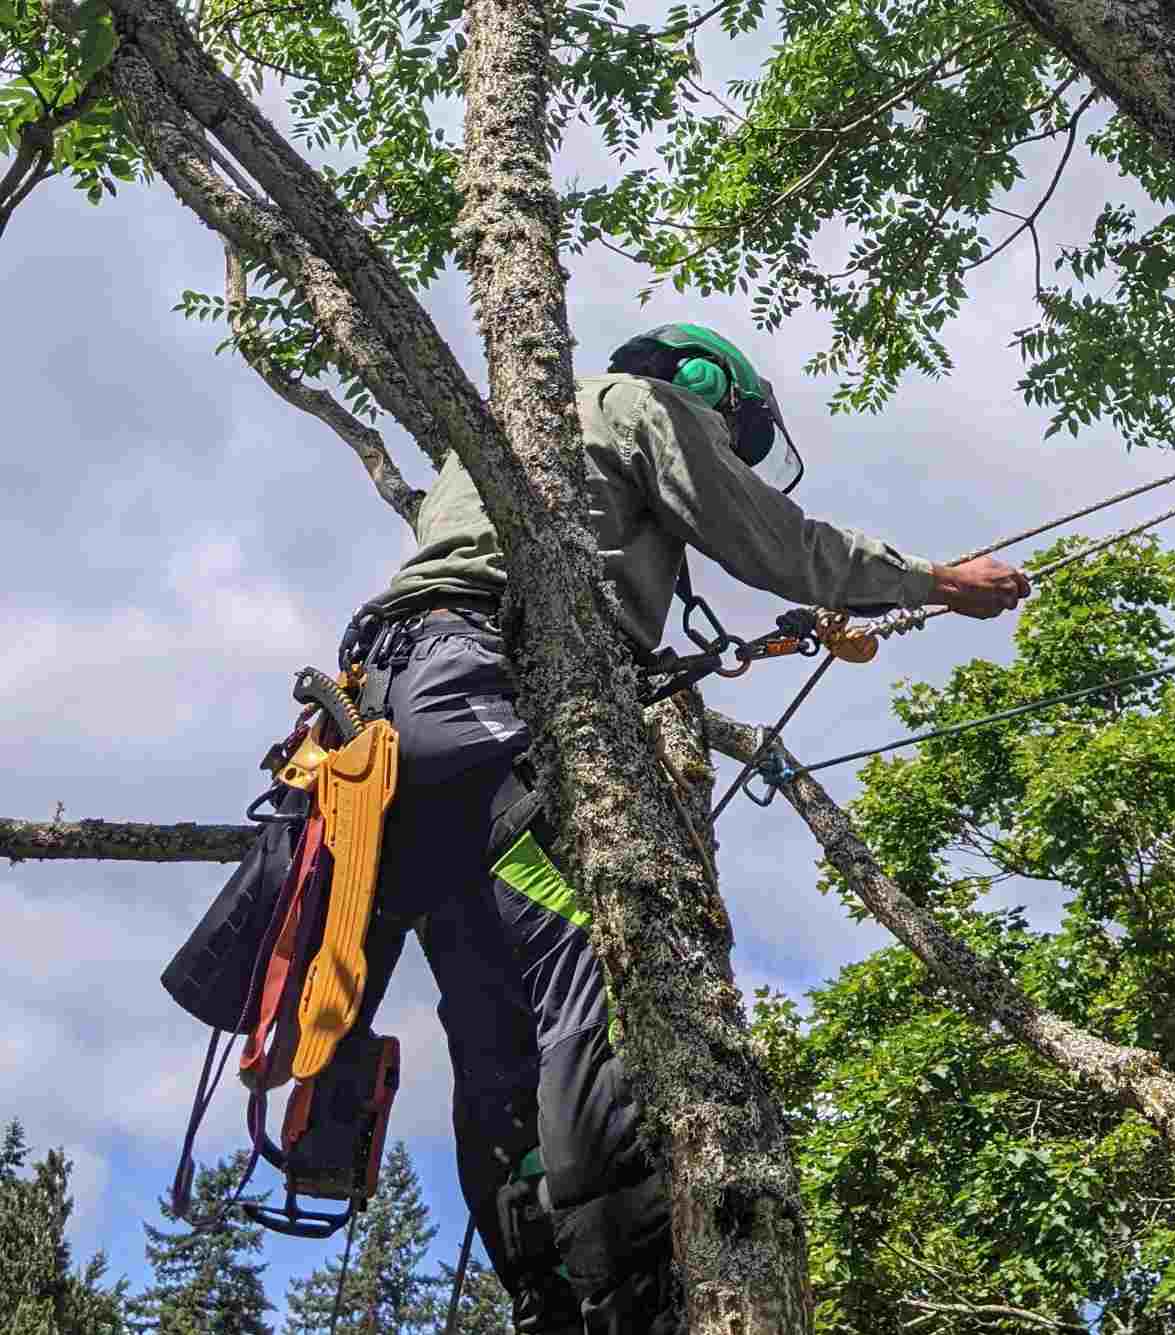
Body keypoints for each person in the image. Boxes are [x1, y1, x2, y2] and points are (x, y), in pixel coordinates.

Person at [333, 322, 1031, 1332]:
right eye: (728, 428)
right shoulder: (641, 403)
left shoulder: (504, 437)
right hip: (493, 696)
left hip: (403, 725)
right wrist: (934, 582)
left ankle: (547, 1295)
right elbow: (769, 540)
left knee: (493, 1020)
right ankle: (634, 1298)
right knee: (598, 972)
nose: (724, 441)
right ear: (706, 386)